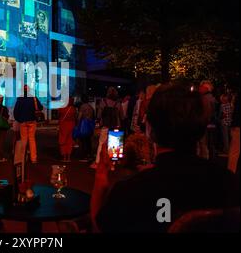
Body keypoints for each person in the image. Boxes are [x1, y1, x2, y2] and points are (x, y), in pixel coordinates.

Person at [91, 84, 240, 233]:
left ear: (150, 129)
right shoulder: (229, 183)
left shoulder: (130, 191)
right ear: (202, 128)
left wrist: (101, 178)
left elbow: (101, 227)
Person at [91, 87, 123, 168]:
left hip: (105, 126)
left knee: (101, 143)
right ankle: (113, 164)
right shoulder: (118, 103)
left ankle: (98, 161)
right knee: (115, 145)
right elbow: (122, 116)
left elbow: (99, 115)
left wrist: (98, 121)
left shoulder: (103, 102)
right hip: (116, 126)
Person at [13, 85, 43, 164]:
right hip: (32, 121)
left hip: (23, 121)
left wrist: (19, 119)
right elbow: (40, 107)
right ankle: (33, 158)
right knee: (32, 139)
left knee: (24, 140)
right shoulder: (34, 98)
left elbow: (16, 111)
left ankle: (23, 157)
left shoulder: (20, 99)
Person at [197, 80, 217, 159]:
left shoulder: (207, 98)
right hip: (207, 123)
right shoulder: (209, 98)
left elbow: (209, 112)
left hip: (205, 123)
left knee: (204, 144)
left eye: (202, 87)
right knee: (206, 144)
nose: (200, 88)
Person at [58, 97, 77, 163]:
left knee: (63, 141)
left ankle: (64, 157)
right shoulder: (73, 109)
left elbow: (59, 115)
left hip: (63, 126)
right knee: (70, 141)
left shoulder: (62, 108)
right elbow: (75, 117)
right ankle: (69, 157)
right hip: (71, 125)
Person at [77, 94, 95, 162]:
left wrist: (78, 125)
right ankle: (89, 154)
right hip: (90, 125)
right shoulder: (91, 107)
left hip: (84, 125)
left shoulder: (82, 106)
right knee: (88, 140)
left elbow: (79, 117)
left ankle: (84, 156)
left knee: (83, 141)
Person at [228, 93, 239, 174]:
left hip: (237, 126)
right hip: (237, 126)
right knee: (234, 151)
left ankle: (231, 172)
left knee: (234, 151)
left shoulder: (237, 97)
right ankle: (230, 172)